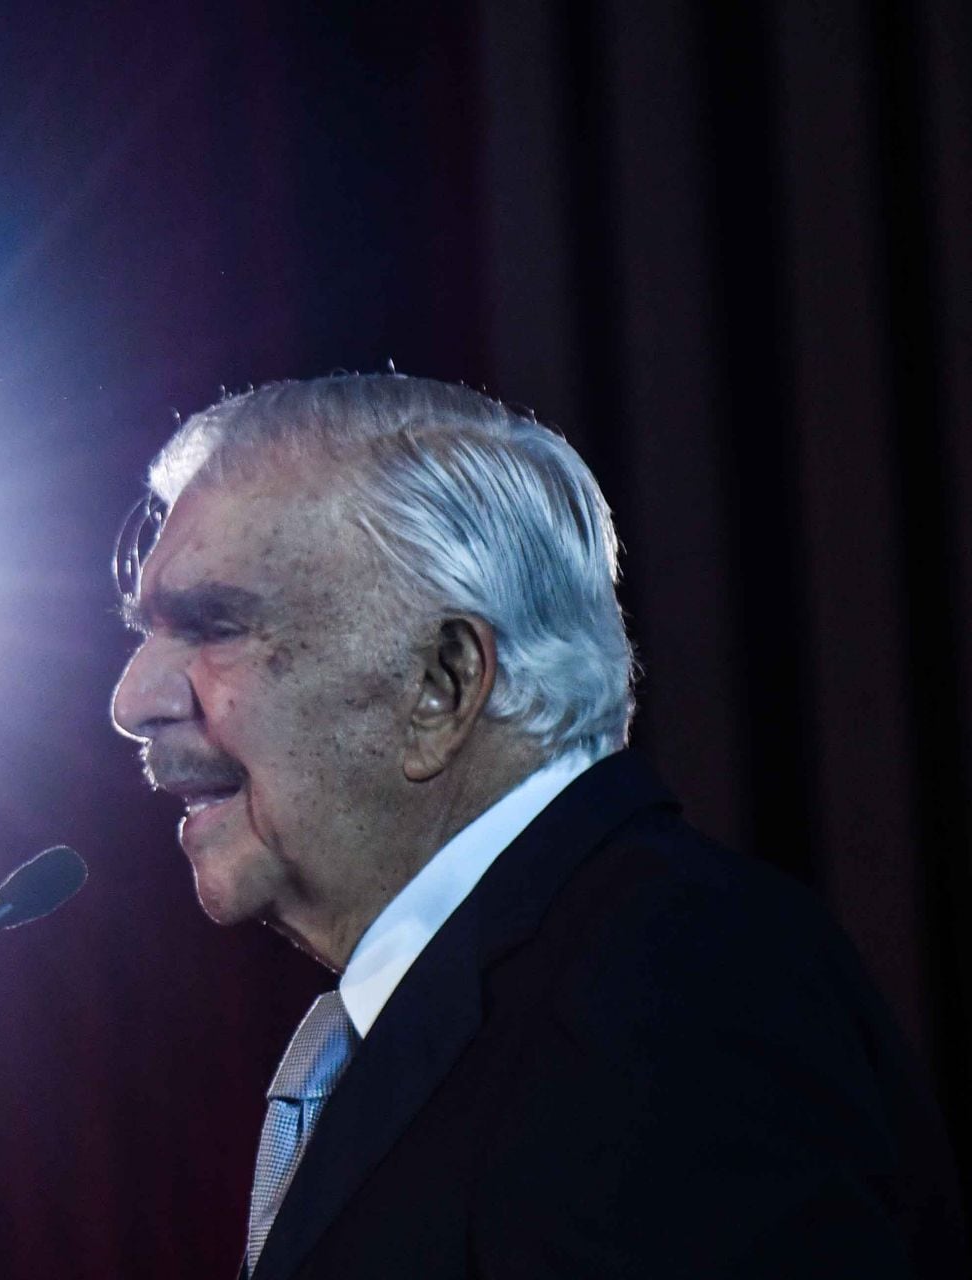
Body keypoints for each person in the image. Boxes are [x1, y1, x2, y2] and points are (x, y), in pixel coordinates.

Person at [109, 373, 965, 1278]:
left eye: (214, 626)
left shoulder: (672, 978)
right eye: (145, 631)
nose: (133, 700)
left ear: (442, 685)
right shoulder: (542, 983)